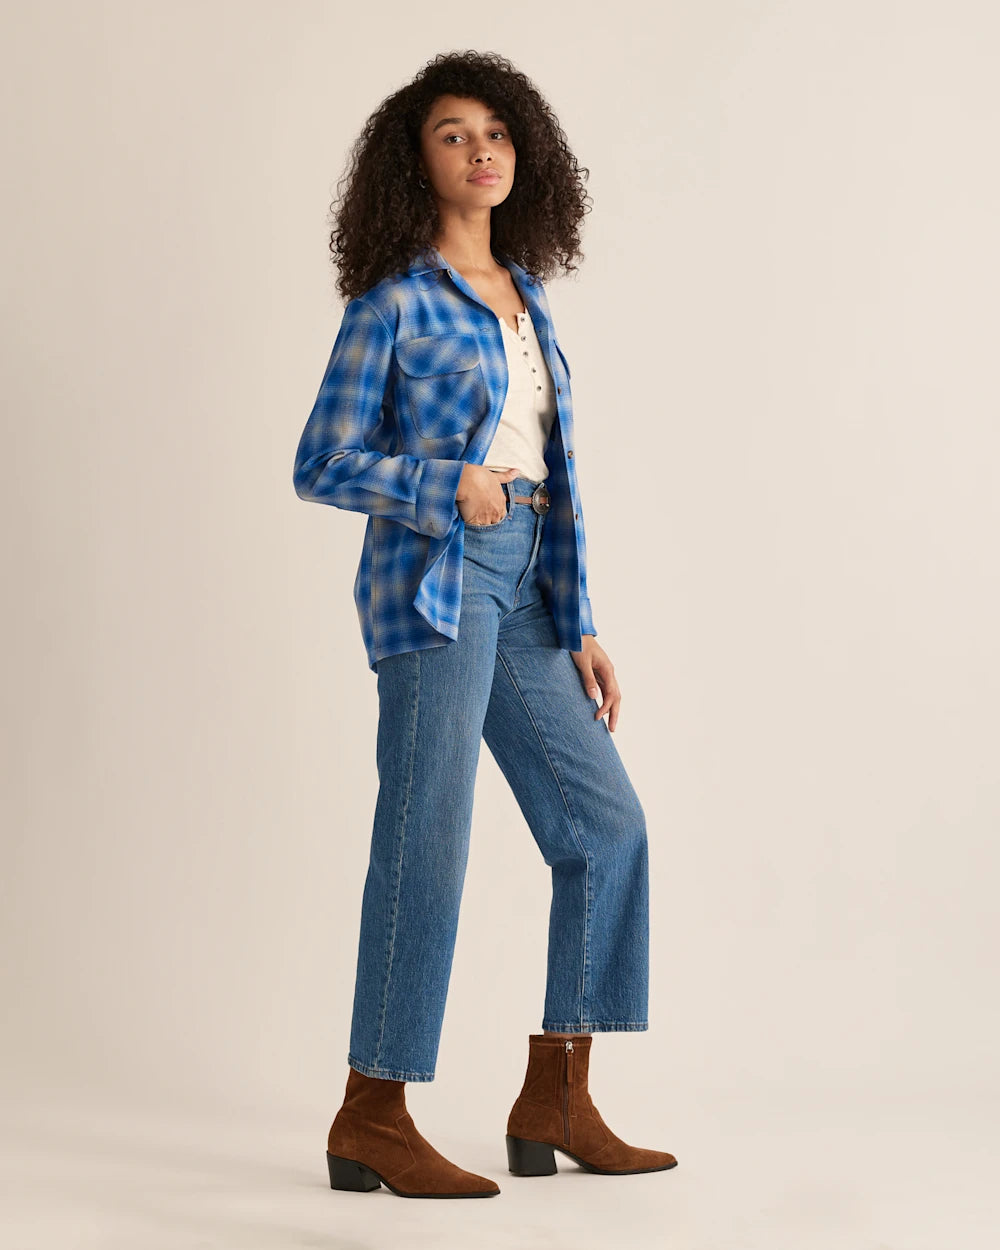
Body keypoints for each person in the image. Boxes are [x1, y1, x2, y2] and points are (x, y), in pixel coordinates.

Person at [293, 50, 677, 1199]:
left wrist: (585, 619)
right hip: (435, 579)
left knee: (606, 825)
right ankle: (373, 1106)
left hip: (530, 582)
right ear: (416, 163)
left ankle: (555, 1090)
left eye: (498, 132)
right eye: (454, 134)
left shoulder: (528, 299)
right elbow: (321, 461)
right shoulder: (394, 302)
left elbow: (552, 468)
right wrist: (435, 484)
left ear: (527, 157)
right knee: (427, 834)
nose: (481, 150)